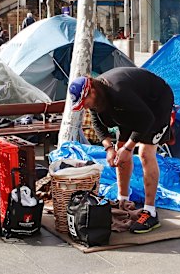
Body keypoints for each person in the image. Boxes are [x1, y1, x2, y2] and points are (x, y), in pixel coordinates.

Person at [69, 67, 174, 234]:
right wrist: (109, 148)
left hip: (155, 104)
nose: (85, 107)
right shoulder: (97, 99)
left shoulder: (118, 91)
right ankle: (122, 199)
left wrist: (129, 147)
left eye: (85, 102)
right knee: (119, 151)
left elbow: (147, 119)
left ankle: (150, 211)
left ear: (92, 92)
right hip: (132, 108)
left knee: (145, 154)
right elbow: (97, 124)